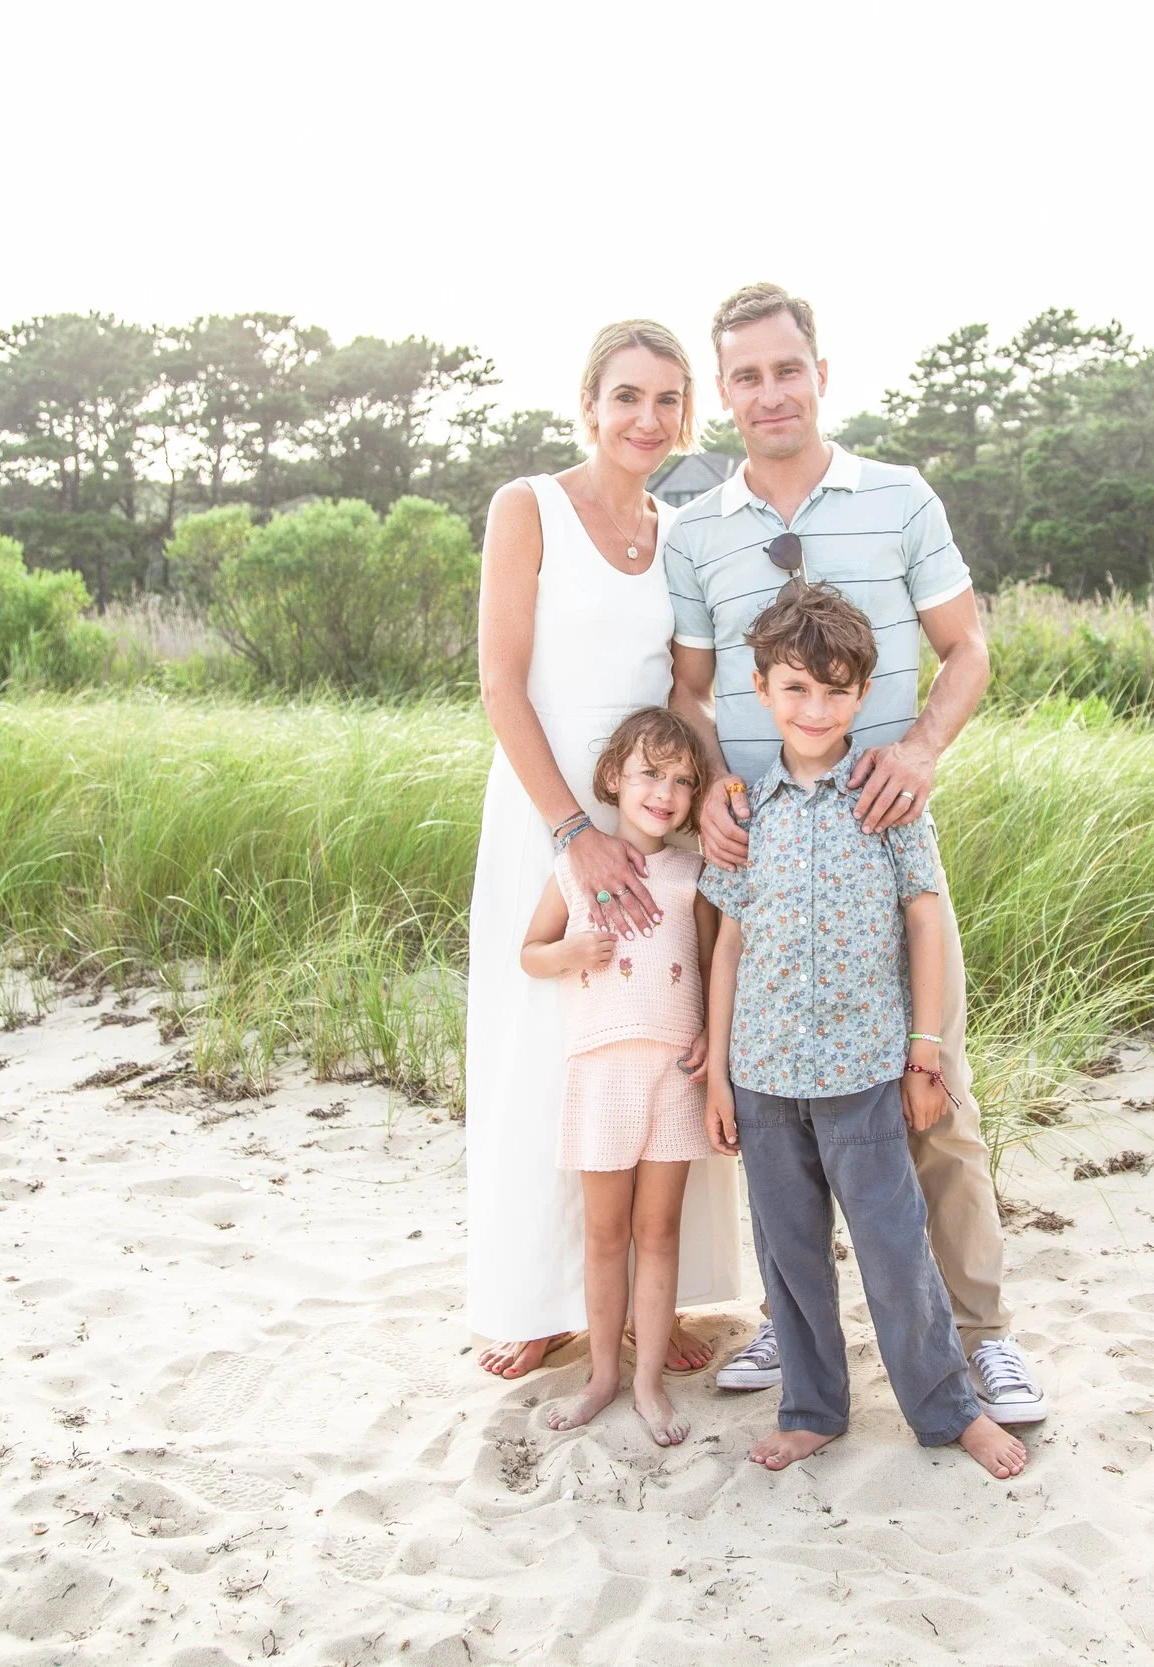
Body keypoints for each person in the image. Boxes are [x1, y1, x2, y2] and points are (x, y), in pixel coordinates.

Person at [664, 282, 1046, 1424]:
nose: (768, 393)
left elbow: (966, 646)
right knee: (764, 1098)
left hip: (880, 842)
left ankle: (983, 1339)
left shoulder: (898, 497)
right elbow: (690, 691)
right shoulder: (698, 530)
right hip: (752, 847)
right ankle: (794, 1321)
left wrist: (922, 746)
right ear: (721, 392)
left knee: (933, 1098)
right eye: (744, 376)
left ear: (819, 372)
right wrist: (713, 787)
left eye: (787, 369)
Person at [700, 582, 1028, 1478]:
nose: (815, 708)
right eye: (795, 689)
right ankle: (812, 1406)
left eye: (835, 690)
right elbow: (728, 943)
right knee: (790, 1254)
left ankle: (946, 1407)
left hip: (861, 1074)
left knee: (893, 1248)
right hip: (764, 1076)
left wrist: (924, 1051)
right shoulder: (745, 814)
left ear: (862, 695)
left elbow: (925, 922)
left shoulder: (886, 800)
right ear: (762, 691)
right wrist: (718, 1073)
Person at [465, 320, 741, 1379]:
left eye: (669, 399)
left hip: (651, 814)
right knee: (547, 1038)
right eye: (627, 395)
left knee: (652, 1031)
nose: (648, 418)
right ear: (588, 405)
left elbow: (684, 690)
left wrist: (714, 793)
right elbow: (499, 680)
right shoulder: (527, 505)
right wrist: (571, 832)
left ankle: (646, 1300)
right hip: (549, 813)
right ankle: (535, 1301)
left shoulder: (680, 532)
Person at [520, 709, 718, 1445]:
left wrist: (709, 1037)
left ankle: (646, 1382)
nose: (665, 791)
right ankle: (602, 1375)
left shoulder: (692, 874)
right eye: (649, 772)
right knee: (605, 1233)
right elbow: (531, 953)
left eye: (682, 780)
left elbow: (705, 964)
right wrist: (571, 952)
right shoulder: (575, 868)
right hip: (601, 1070)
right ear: (612, 778)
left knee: (657, 1228)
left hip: (672, 1072)